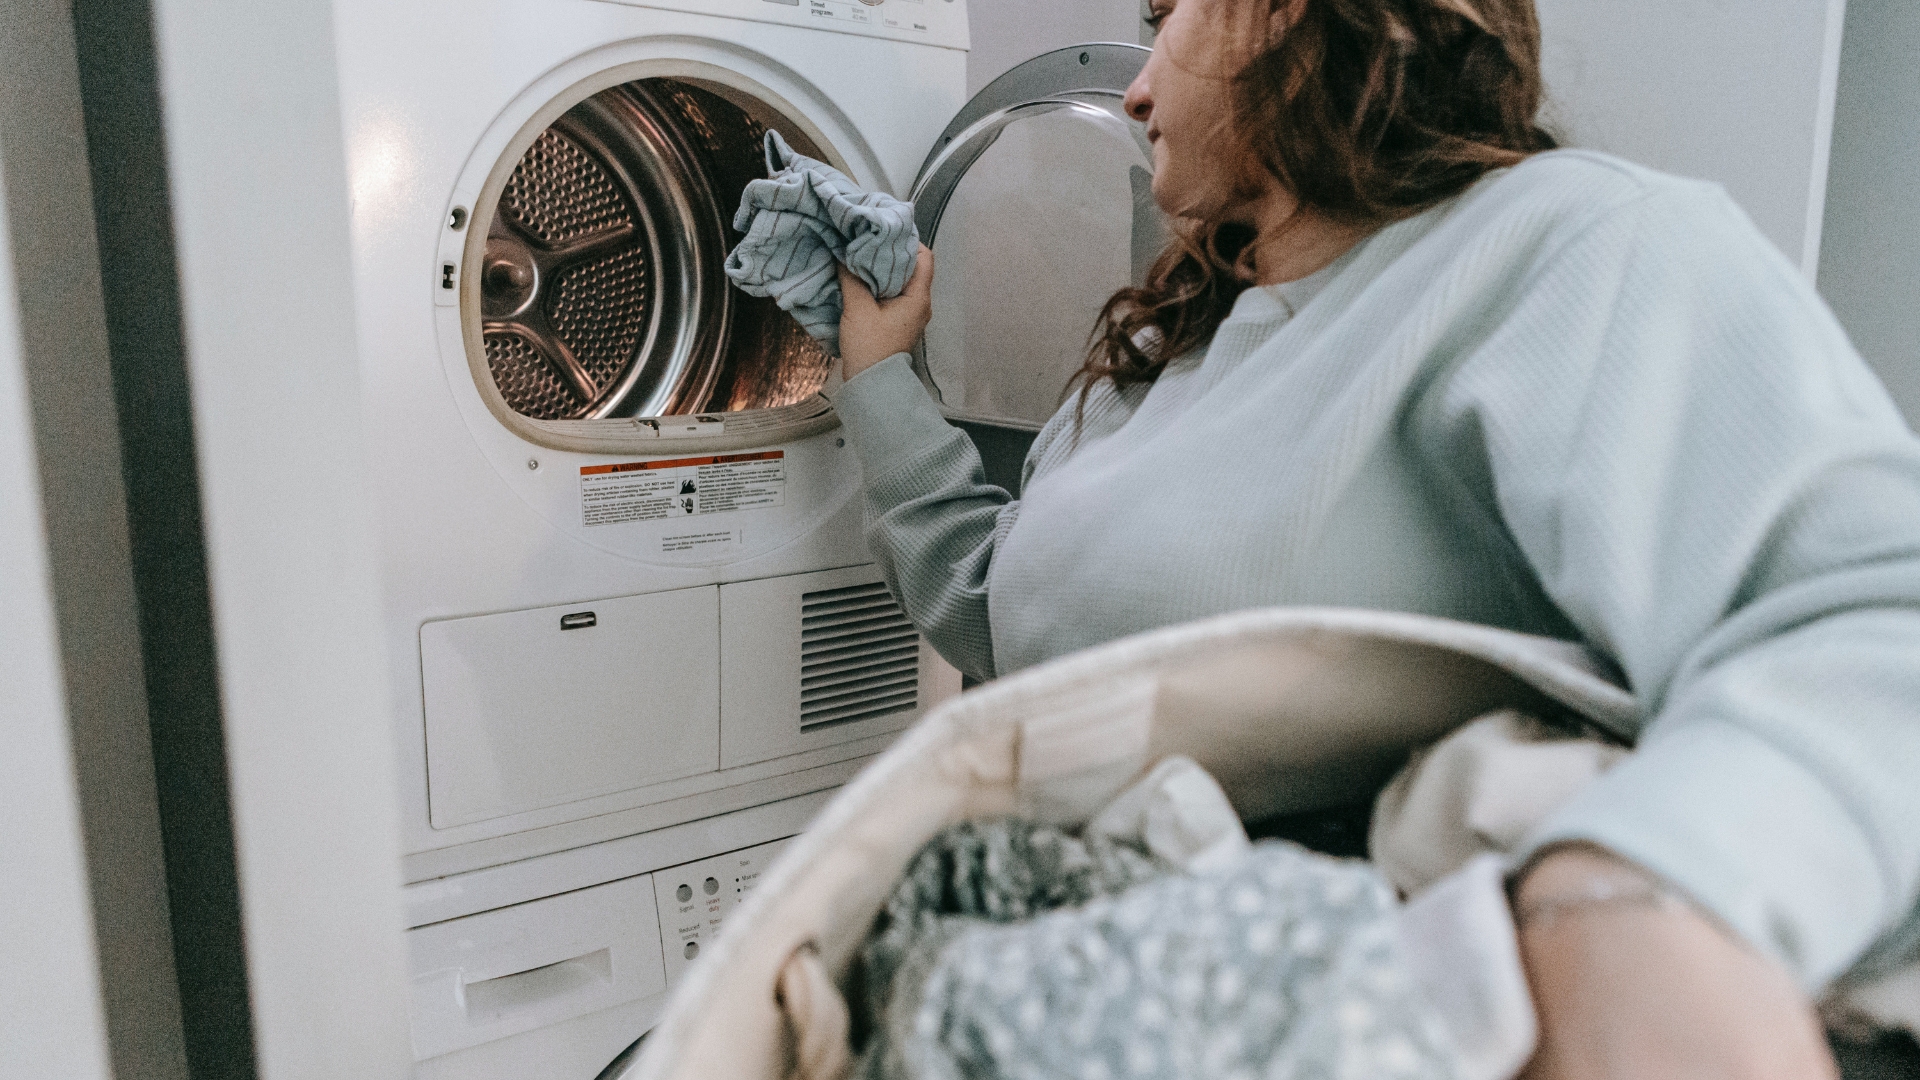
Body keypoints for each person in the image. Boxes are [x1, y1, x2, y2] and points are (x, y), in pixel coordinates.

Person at [826, 0, 1920, 1076]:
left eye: (1170, 15)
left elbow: (1868, 618)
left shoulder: (1559, 245)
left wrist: (1639, 889)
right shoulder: (1160, 355)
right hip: (1063, 985)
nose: (1136, 86)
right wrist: (877, 375)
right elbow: (998, 615)